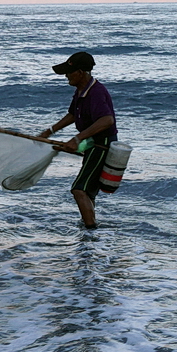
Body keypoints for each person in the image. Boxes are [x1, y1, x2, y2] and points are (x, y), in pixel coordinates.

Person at [38, 51, 118, 229]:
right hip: (92, 143)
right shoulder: (81, 91)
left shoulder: (96, 92)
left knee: (79, 189)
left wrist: (76, 139)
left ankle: (90, 233)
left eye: (69, 72)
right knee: (87, 191)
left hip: (102, 144)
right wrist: (49, 131)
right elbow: (73, 114)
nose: (66, 76)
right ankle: (90, 230)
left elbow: (107, 120)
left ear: (80, 72)